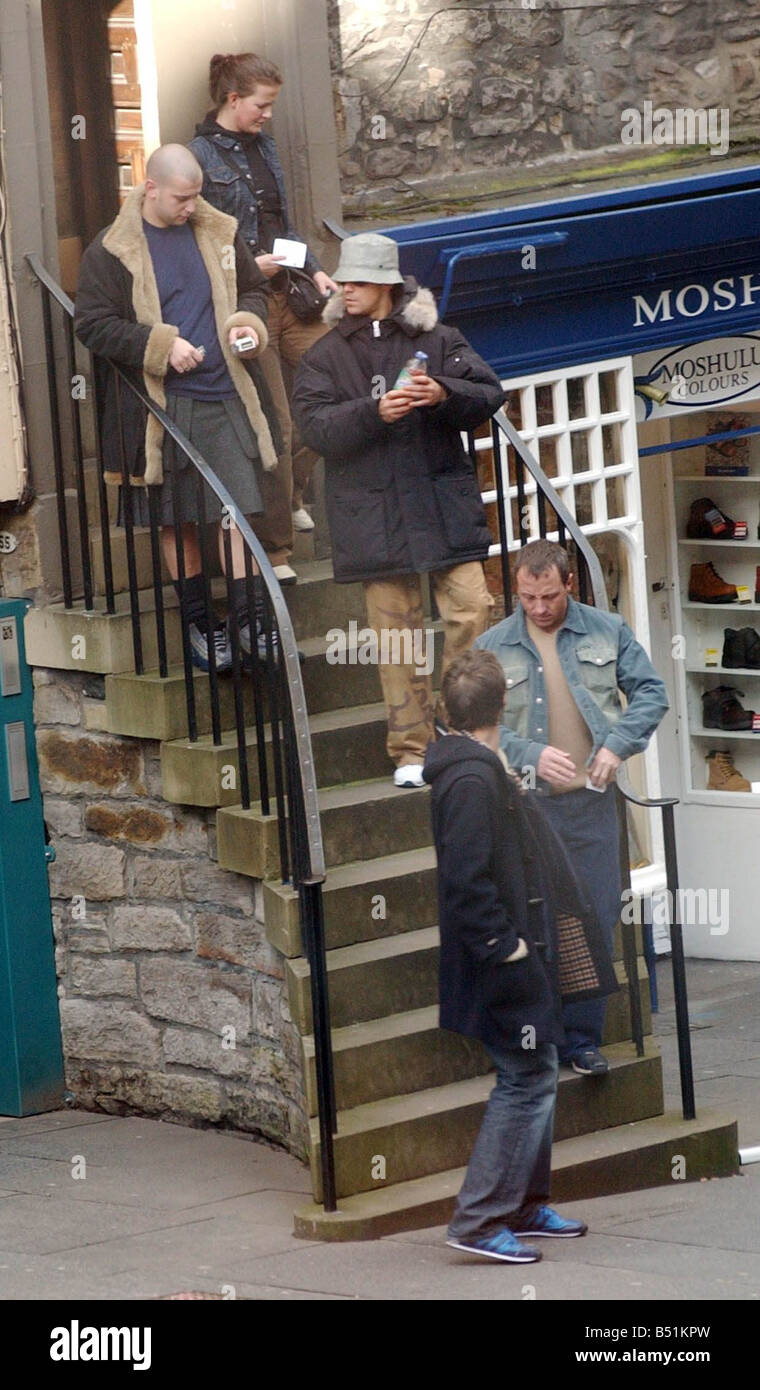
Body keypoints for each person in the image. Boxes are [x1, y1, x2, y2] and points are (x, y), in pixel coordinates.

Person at [292, 231, 505, 788]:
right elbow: (313, 428)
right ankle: (411, 750)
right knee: (397, 637)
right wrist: (374, 412)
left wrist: (441, 393)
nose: (345, 289)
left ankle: (456, 728)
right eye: (344, 280)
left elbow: (488, 392)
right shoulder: (324, 354)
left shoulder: (440, 337)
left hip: (440, 504)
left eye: (357, 281)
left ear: (387, 285)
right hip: (373, 515)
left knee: (473, 611)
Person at [423, 648, 617, 1263]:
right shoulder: (472, 778)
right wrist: (505, 948)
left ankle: (525, 1206)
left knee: (540, 1067)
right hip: (499, 964)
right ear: (501, 706)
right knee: (527, 1076)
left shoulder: (476, 765)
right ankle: (479, 1221)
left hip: (512, 955)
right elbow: (466, 881)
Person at [75, 144, 279, 672]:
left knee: (236, 512)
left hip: (225, 393)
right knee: (178, 521)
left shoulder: (218, 231)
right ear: (151, 188)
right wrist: (162, 347)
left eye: (196, 197)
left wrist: (245, 327)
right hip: (160, 409)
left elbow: (256, 294)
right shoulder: (111, 250)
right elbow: (92, 325)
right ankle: (198, 623)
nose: (191, 207)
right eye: (182, 198)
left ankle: (250, 618)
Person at [475, 538, 669, 1076]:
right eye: (528, 597)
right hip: (527, 809)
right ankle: (539, 1039)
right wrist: (530, 753)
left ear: (569, 585)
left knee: (596, 919)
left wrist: (615, 745)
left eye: (549, 597)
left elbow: (651, 694)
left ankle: (582, 1041)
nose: (538, 608)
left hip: (591, 807)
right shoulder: (492, 645)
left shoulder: (607, 630)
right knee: (533, 922)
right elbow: (473, 727)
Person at [189, 52, 339, 584]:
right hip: (245, 306)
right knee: (276, 422)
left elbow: (282, 224)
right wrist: (250, 265)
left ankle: (294, 493)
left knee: (339, 388)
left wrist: (316, 269)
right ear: (234, 99)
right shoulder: (197, 158)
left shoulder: (266, 150)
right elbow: (198, 243)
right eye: (262, 104)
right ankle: (277, 551)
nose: (268, 114)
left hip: (291, 294)